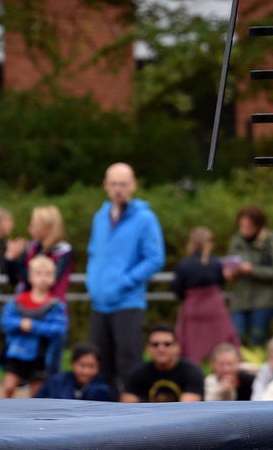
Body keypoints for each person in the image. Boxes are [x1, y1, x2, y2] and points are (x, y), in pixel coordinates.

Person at [86, 162, 165, 391]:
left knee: (129, 364)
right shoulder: (99, 217)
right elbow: (93, 253)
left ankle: (134, 417)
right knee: (100, 366)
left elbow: (155, 258)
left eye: (123, 184)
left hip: (128, 303)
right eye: (113, 184)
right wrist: (94, 283)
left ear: (133, 185)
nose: (118, 189)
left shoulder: (145, 218)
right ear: (105, 186)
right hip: (99, 303)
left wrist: (125, 282)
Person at [0, 255, 68, 397]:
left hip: (40, 356)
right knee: (9, 387)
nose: (43, 278)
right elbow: (5, 321)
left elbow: (59, 329)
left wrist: (33, 326)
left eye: (48, 274)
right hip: (17, 353)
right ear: (30, 277)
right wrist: (20, 323)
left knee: (36, 395)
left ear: (54, 278)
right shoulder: (18, 301)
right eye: (38, 273)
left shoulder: (55, 305)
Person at [173, 227, 237, 363]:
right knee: (220, 341)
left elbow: (177, 288)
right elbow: (220, 283)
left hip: (193, 308)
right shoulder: (216, 263)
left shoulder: (184, 264)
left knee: (192, 346)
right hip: (214, 308)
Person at [225, 206, 273, 348]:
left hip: (263, 300)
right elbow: (229, 264)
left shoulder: (269, 241)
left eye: (248, 226)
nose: (244, 230)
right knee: (236, 338)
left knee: (258, 339)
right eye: (241, 226)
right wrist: (230, 273)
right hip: (240, 299)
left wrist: (253, 270)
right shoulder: (236, 240)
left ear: (258, 226)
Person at [121, 323, 203, 403]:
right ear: (148, 348)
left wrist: (141, 402)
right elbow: (127, 403)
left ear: (177, 347)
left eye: (167, 344)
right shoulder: (137, 372)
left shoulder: (192, 371)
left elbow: (188, 408)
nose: (161, 349)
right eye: (155, 344)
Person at [5, 206, 74, 299]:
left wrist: (19, 268)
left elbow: (45, 282)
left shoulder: (63, 251)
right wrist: (10, 258)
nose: (29, 228)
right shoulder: (32, 247)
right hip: (26, 305)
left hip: (51, 306)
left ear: (46, 227)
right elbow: (15, 280)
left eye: (33, 225)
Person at [36, 343, 115, 402]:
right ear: (72, 363)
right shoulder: (56, 381)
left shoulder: (103, 389)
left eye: (91, 366)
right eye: (82, 365)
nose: (86, 371)